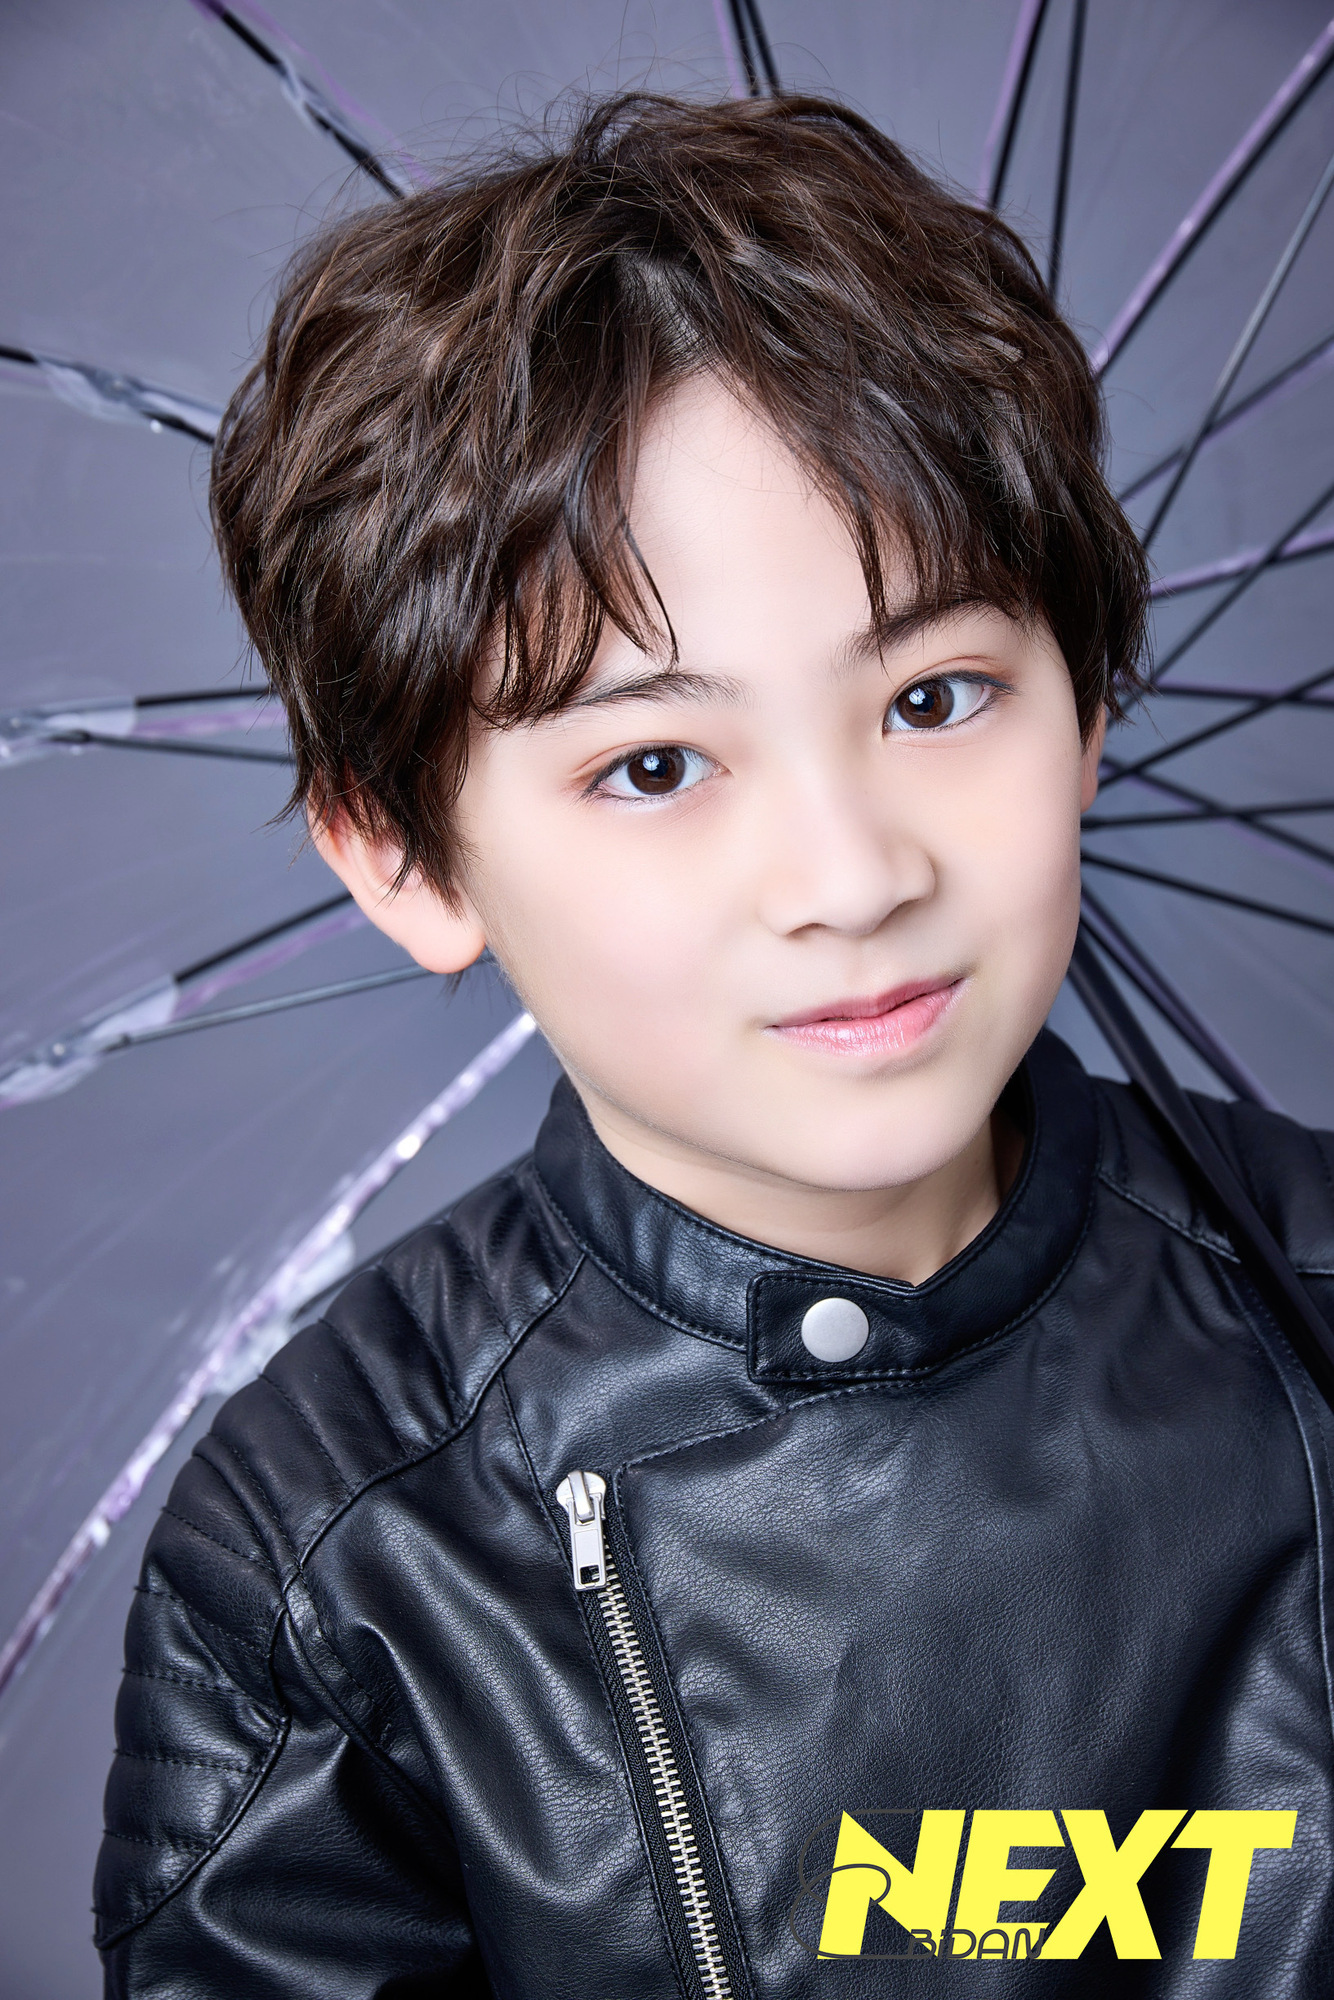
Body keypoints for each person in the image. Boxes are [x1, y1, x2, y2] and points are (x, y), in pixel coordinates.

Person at [94, 93, 1334, 1996]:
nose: (851, 875)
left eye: (935, 696)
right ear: (407, 856)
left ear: (1086, 705)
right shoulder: (339, 1552)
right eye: (656, 765)